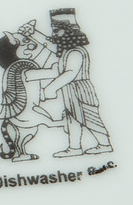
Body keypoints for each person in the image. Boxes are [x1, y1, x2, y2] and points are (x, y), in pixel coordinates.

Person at [23, 8, 112, 157]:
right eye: (53, 29)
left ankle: (105, 144)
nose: (54, 33)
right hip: (69, 91)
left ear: (68, 31)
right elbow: (48, 43)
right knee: (72, 120)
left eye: (57, 30)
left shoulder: (76, 52)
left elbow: (70, 73)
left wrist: (50, 88)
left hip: (80, 90)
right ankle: (74, 147)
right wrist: (32, 33)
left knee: (89, 118)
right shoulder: (66, 50)